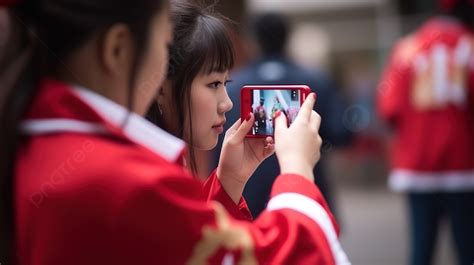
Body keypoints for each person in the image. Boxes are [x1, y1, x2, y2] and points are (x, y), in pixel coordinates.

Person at [0, 0, 350, 264]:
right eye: (165, 45)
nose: (227, 104)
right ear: (117, 49)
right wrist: (298, 171)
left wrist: (227, 183)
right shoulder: (124, 179)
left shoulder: (37, 139)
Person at [214, 13, 352, 217]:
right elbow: (341, 134)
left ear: (252, 41)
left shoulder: (231, 85)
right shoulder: (317, 79)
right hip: (306, 194)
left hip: (247, 198)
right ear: (288, 38)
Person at [145, 0, 274, 210]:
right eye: (213, 83)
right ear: (160, 87)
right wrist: (297, 172)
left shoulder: (159, 164)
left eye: (225, 82)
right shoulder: (148, 181)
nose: (227, 103)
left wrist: (230, 178)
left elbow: (203, 237)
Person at [377, 0, 474, 264]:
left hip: (417, 166)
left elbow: (388, 108)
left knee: (421, 250)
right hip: (463, 166)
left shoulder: (407, 48)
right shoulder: (469, 45)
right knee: (468, 250)